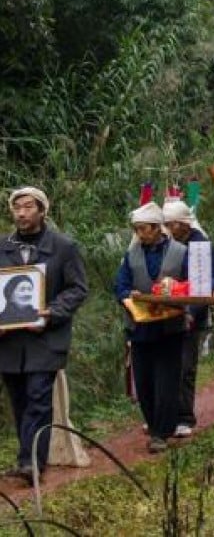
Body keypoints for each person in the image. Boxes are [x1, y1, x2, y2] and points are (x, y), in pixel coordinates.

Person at [0, 187, 87, 483]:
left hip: (46, 339)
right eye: (17, 208)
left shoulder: (64, 247)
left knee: (38, 397)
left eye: (27, 207)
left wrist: (52, 311)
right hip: (9, 341)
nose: (21, 213)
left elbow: (77, 289)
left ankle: (32, 464)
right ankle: (27, 457)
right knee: (20, 400)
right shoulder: (2, 247)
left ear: (41, 211)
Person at [116, 203, 203, 453]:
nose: (141, 234)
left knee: (166, 381)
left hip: (170, 327)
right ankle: (152, 423)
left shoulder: (181, 251)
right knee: (143, 382)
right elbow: (121, 284)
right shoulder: (131, 255)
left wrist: (177, 295)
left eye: (144, 229)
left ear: (157, 228)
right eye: (137, 230)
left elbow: (194, 285)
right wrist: (127, 297)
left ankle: (161, 433)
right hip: (140, 328)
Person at [162, 200, 214, 439]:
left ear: (183, 224)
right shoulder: (166, 243)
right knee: (165, 366)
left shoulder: (200, 246)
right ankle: (163, 415)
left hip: (191, 314)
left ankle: (184, 416)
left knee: (185, 367)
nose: (167, 229)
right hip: (164, 312)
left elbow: (208, 280)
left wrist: (190, 310)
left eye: (170, 224)